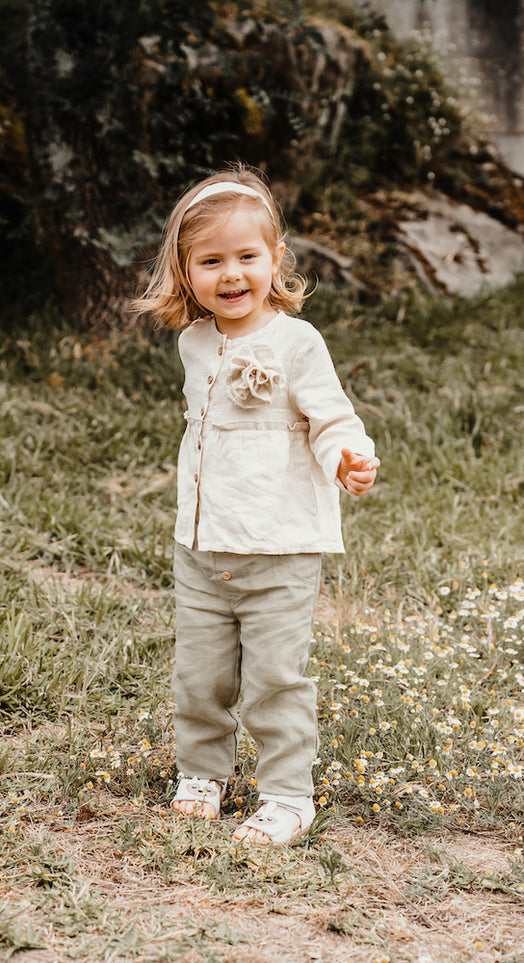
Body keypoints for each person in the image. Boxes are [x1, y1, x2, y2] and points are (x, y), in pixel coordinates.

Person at [130, 168, 379, 845]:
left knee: (274, 676)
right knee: (200, 671)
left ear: (276, 259)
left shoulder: (298, 342)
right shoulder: (194, 342)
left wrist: (347, 458)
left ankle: (287, 794)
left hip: (280, 546)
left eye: (247, 257)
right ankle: (202, 772)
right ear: (185, 271)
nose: (231, 274)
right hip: (202, 545)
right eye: (211, 261)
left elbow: (330, 418)